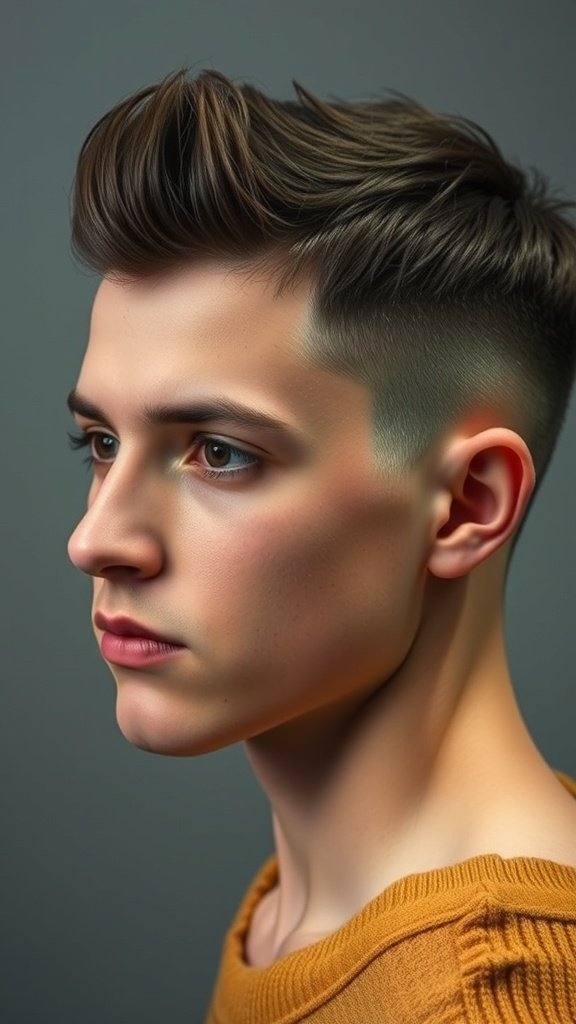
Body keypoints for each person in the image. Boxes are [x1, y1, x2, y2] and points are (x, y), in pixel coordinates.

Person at [66, 69, 576, 1022]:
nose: (96, 539)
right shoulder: (303, 917)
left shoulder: (489, 996)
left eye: (218, 453)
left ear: (468, 503)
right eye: (101, 444)